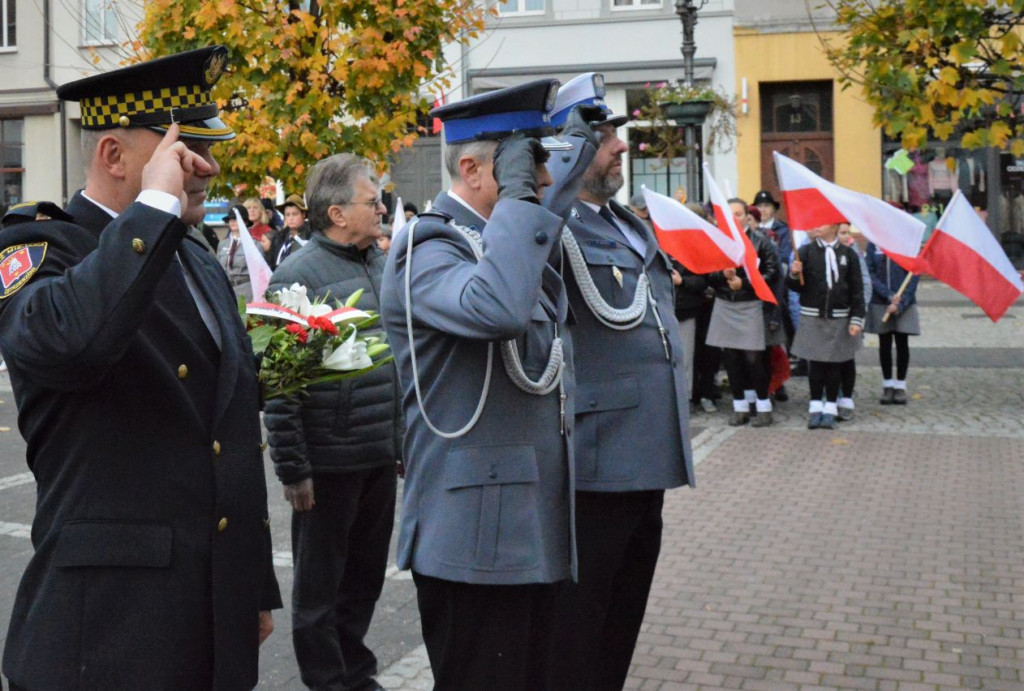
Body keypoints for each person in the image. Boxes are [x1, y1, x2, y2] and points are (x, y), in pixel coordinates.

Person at [0, 46, 281, 690]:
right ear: (114, 156)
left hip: (207, 603)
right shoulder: (42, 248)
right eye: (185, 152)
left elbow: (230, 423)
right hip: (109, 625)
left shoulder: (196, 256)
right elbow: (70, 343)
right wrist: (151, 210)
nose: (208, 169)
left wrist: (251, 578)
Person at [379, 79, 596, 690]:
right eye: (528, 169)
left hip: (527, 524)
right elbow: (497, 309)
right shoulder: (426, 248)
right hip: (472, 539)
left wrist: (568, 154)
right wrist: (521, 200)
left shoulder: (504, 243)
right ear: (472, 168)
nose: (543, 183)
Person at [544, 73, 694, 691]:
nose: (619, 147)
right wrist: (551, 178)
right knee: (580, 624)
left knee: (623, 615)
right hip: (598, 458)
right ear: (570, 147)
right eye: (603, 136)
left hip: (649, 452)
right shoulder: (553, 225)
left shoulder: (626, 224)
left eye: (611, 134)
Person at [265, 154, 401, 691]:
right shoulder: (296, 278)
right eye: (373, 201)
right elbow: (279, 384)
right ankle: (327, 681)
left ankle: (356, 673)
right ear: (338, 214)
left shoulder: (382, 265)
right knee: (319, 594)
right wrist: (294, 469)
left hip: (376, 457)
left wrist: (401, 440)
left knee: (364, 583)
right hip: (327, 464)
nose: (383, 207)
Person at [705, 198, 780, 427]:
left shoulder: (761, 241)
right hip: (725, 304)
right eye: (729, 215)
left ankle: (764, 407)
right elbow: (708, 275)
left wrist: (745, 284)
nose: (734, 218)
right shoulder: (719, 242)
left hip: (750, 305)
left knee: (753, 358)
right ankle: (740, 407)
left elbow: (772, 273)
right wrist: (723, 276)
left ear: (747, 216)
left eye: (738, 214)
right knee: (731, 358)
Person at [787, 223, 866, 429]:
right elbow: (795, 286)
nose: (816, 226)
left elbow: (857, 289)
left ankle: (830, 406)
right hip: (812, 315)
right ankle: (815, 405)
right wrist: (794, 273)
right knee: (816, 365)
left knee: (834, 364)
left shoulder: (848, 254)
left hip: (839, 316)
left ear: (834, 226)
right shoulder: (806, 251)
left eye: (822, 222)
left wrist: (857, 318)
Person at [864, 240, 920, 405]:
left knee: (902, 342)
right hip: (881, 300)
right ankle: (887, 383)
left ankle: (901, 384)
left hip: (905, 301)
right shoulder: (874, 243)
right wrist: (888, 295)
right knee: (885, 342)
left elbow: (914, 273)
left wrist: (901, 302)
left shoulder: (907, 242)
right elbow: (870, 272)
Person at [836, 223, 872, 420]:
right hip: (826, 314)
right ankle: (828, 396)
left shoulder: (853, 252)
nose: (846, 236)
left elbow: (864, 283)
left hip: (850, 313)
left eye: (847, 232)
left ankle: (846, 397)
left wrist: (859, 313)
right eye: (842, 233)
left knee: (846, 357)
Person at [217, 203, 254, 301]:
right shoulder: (223, 244)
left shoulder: (254, 245)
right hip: (226, 289)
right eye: (230, 220)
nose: (233, 222)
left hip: (246, 289)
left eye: (236, 219)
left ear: (245, 222)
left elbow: (258, 273)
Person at [266, 193, 310, 269]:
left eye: (295, 214)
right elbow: (271, 262)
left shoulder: (312, 235)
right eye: (287, 215)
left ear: (303, 214)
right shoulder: (279, 237)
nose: (291, 218)